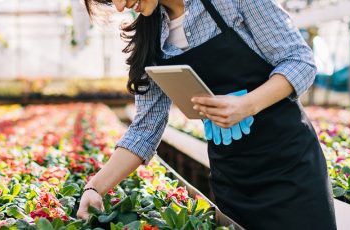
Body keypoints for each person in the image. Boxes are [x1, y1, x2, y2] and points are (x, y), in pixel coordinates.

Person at [75, 0, 336, 228]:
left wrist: (248, 104)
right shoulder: (151, 35)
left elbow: (299, 60)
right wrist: (95, 187)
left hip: (291, 169)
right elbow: (145, 130)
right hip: (232, 181)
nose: (120, 6)